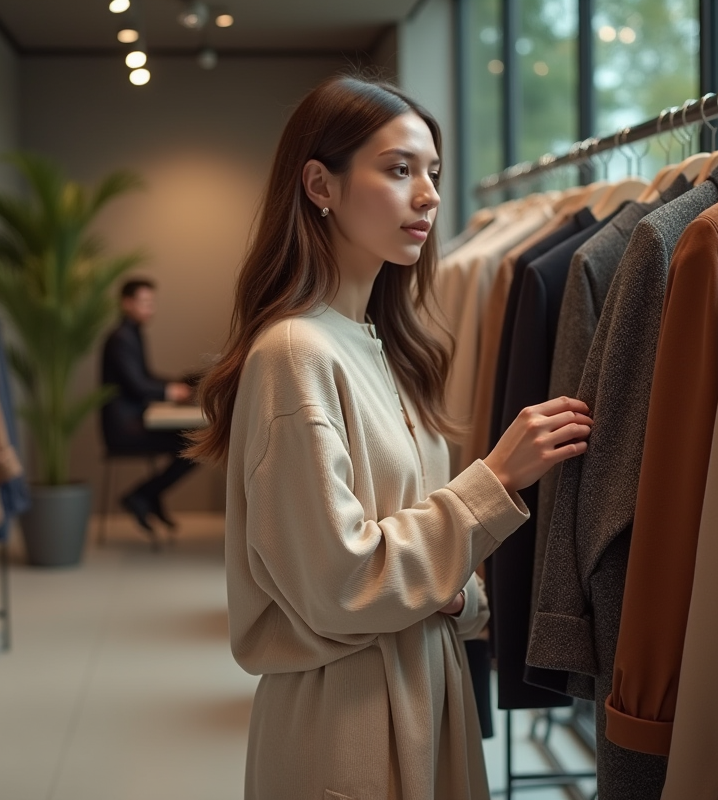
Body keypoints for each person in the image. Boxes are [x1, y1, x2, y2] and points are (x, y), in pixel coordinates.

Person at [187, 76, 593, 799]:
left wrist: (454, 597)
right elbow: (338, 583)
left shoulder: (380, 345)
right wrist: (493, 483)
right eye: (399, 169)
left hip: (421, 688)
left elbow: (421, 575)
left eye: (432, 173)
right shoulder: (295, 354)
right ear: (321, 184)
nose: (430, 195)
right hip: (345, 721)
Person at [100, 278, 196, 537]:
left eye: (152, 302)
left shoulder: (132, 333)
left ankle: (148, 497)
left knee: (190, 442)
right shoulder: (121, 337)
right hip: (124, 428)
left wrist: (176, 383)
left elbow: (144, 376)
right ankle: (142, 496)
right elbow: (137, 385)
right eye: (144, 302)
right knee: (191, 445)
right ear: (126, 303)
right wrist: (172, 391)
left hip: (133, 421)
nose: (150, 308)